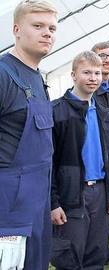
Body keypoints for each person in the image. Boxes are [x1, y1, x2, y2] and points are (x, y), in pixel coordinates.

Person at [0, 1, 57, 269]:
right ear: (16, 29)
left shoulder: (37, 78)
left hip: (37, 208)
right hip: (8, 214)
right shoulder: (3, 74)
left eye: (52, 28)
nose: (47, 33)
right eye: (38, 26)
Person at [50, 51, 109, 269]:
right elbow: (48, 164)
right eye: (86, 72)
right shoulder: (57, 112)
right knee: (70, 256)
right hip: (72, 194)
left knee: (96, 254)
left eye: (97, 73)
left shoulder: (103, 111)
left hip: (99, 193)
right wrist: (53, 203)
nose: (93, 78)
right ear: (73, 75)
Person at [91, 41, 109, 264]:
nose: (108, 60)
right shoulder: (90, 87)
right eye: (103, 56)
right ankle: (97, 247)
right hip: (98, 154)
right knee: (98, 201)